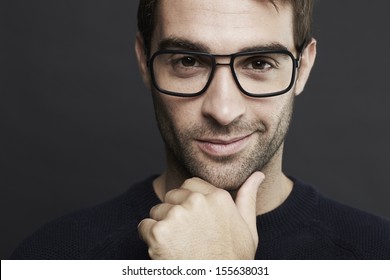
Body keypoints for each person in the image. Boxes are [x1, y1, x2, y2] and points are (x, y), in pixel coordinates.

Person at [10, 0, 390, 260]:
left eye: (258, 63)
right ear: (145, 61)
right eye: (188, 61)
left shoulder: (378, 255)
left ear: (302, 68)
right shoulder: (52, 257)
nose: (223, 110)